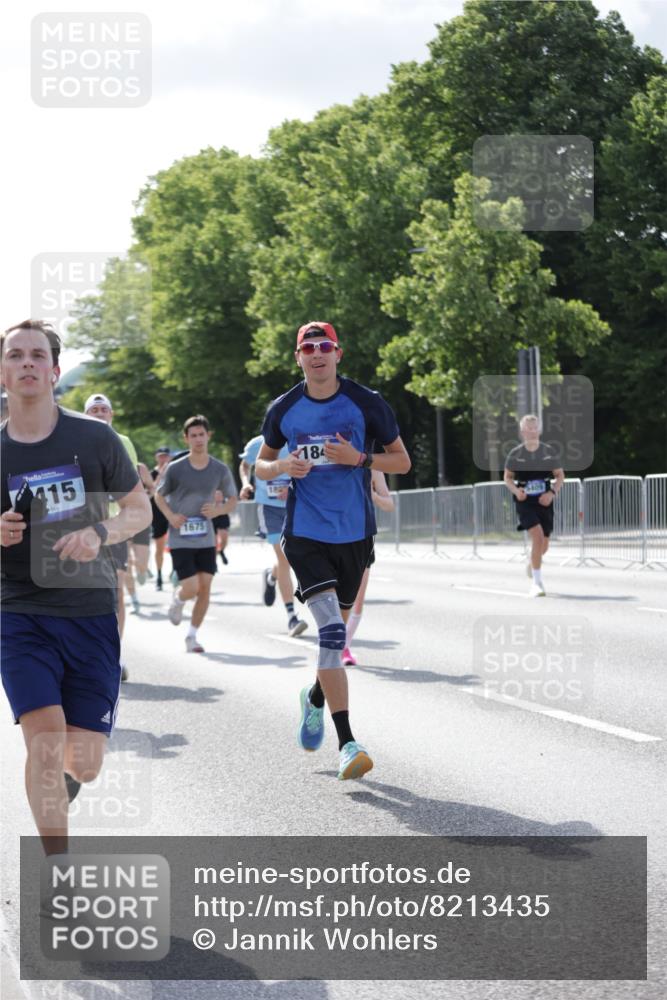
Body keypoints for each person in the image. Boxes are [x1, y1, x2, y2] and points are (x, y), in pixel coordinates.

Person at [0, 319, 151, 855]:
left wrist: (99, 531)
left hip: (90, 612)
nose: (26, 363)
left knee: (82, 764)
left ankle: (57, 794)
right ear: (3, 372)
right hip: (20, 614)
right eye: (15, 355)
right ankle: (57, 871)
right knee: (43, 746)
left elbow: (139, 508)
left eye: (37, 355)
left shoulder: (94, 438)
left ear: (55, 370)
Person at [256, 321, 410, 780]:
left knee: (336, 633)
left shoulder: (367, 403)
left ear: (338, 354)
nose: (317, 353)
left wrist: (359, 459)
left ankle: (315, 696)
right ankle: (347, 743)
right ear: (298, 357)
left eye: (325, 346)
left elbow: (401, 461)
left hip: (355, 535)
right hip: (305, 535)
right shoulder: (284, 408)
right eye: (309, 347)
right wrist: (282, 464)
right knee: (331, 636)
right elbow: (259, 468)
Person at [154, 415, 238, 652]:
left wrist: (219, 510)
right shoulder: (176, 468)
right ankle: (179, 600)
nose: (199, 439)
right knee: (191, 588)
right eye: (194, 435)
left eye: (202, 434)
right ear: (186, 438)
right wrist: (171, 517)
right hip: (181, 537)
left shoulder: (219, 469)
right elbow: (159, 495)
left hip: (205, 538)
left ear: (208, 436)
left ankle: (192, 636)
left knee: (205, 587)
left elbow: (233, 500)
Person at [84, 393, 149, 673]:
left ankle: (115, 655)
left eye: (104, 409)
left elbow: (131, 485)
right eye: (94, 409)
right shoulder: (75, 439)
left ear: (111, 414)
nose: (99, 412)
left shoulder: (123, 443)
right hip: (83, 529)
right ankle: (86, 652)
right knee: (85, 593)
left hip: (114, 528)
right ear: (87, 414)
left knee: (117, 590)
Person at [239, 434, 307, 637]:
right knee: (284, 556)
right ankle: (292, 616)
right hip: (269, 508)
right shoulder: (257, 443)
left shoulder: (301, 440)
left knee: (288, 557)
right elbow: (245, 465)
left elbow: (312, 469)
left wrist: (294, 487)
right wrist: (245, 483)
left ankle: (272, 576)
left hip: (297, 506)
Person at [503, 413, 564, 597]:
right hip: (525, 502)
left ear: (539, 430)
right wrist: (516, 492)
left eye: (534, 427)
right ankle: (537, 584)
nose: (531, 431)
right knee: (537, 537)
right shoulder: (515, 454)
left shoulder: (548, 452)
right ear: (522, 431)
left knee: (544, 545)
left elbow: (560, 475)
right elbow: (507, 478)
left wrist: (552, 493)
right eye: (527, 428)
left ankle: (533, 562)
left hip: (544, 501)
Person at [342, 469, 395, 665]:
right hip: (330, 536)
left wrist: (372, 495)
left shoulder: (373, 465)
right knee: (335, 598)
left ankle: (344, 647)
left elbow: (389, 504)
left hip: (362, 537)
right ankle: (333, 645)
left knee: (357, 599)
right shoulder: (330, 458)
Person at [150, 446, 171, 590]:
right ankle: (159, 575)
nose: (163, 459)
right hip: (158, 514)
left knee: (177, 545)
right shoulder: (151, 473)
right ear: (156, 457)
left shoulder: (175, 471)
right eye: (161, 456)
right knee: (160, 546)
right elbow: (150, 492)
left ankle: (177, 572)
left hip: (174, 511)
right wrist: (160, 475)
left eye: (165, 456)